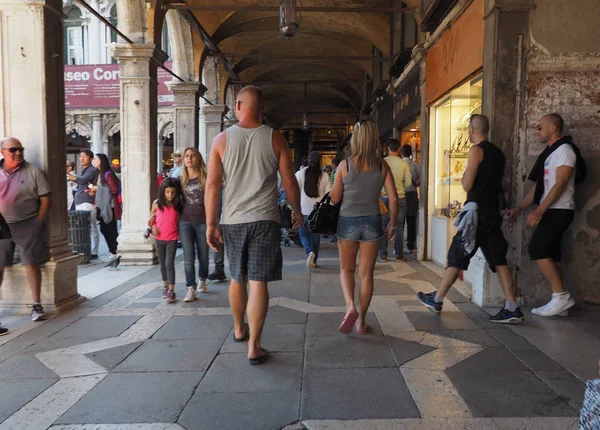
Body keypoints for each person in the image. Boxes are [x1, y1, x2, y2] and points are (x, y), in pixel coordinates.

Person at [205, 85, 302, 365]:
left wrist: (211, 223)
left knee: (237, 277)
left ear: (237, 106)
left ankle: (238, 328)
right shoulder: (276, 138)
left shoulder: (221, 140)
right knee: (258, 281)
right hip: (265, 220)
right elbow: (289, 181)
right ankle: (254, 347)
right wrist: (297, 211)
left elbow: (212, 185)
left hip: (233, 220)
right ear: (262, 108)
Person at [417, 115, 524, 323]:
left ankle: (437, 299)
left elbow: (467, 184)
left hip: (476, 214)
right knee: (498, 259)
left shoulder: (476, 150)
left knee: (457, 253)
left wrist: (466, 173)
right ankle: (512, 306)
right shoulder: (499, 154)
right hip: (492, 213)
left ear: (472, 130)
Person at [505, 113, 579, 317]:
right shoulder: (550, 153)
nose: (537, 131)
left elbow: (560, 184)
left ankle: (560, 296)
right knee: (552, 253)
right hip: (552, 209)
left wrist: (539, 210)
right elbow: (540, 188)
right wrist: (520, 208)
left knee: (537, 248)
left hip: (560, 209)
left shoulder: (564, 151)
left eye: (540, 127)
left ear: (553, 128)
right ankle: (560, 303)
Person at [330, 120, 398, 335]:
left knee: (346, 269)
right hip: (373, 221)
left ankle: (350, 306)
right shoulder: (382, 165)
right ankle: (362, 322)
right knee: (366, 273)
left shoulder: (345, 165)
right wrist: (393, 224)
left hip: (347, 220)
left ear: (356, 139)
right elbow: (394, 198)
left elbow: (334, 198)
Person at [0, 137, 51, 322]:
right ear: (3, 152)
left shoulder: (34, 172)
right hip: (1, 225)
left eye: (20, 148)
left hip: (27, 222)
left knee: (31, 263)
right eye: (13, 149)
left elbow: (46, 199)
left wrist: (38, 221)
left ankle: (37, 305)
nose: (18, 152)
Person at [179, 147, 210, 302]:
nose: (189, 158)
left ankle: (203, 279)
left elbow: (213, 201)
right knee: (188, 257)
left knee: (203, 255)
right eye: (186, 156)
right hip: (185, 222)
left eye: (192, 156)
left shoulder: (205, 178)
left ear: (198, 159)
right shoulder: (180, 180)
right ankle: (190, 287)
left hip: (203, 221)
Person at [296, 151, 332, 269]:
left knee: (303, 235)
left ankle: (309, 251)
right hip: (318, 213)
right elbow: (329, 195)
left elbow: (295, 191)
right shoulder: (325, 176)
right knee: (315, 237)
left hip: (303, 211)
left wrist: (294, 209)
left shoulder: (300, 174)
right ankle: (314, 260)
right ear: (320, 161)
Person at [150, 177, 183, 303]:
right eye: (167, 192)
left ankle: (171, 289)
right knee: (162, 263)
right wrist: (153, 227)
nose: (170, 195)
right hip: (159, 238)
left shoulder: (178, 205)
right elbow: (151, 218)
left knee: (169, 263)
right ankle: (165, 286)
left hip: (172, 238)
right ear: (163, 191)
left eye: (173, 192)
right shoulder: (157, 203)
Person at [380, 138, 412, 262]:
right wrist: (400, 187)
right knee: (399, 226)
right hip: (400, 198)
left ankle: (383, 253)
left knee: (383, 225)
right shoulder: (404, 164)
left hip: (384, 197)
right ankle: (398, 254)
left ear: (388, 148)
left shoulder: (383, 162)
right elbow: (409, 183)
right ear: (399, 149)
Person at [68, 149, 99, 259]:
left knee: (91, 227)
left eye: (84, 157)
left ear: (90, 159)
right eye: (80, 156)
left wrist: (73, 177)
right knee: (84, 227)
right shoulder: (84, 170)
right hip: (80, 201)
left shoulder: (92, 170)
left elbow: (83, 180)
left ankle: (94, 251)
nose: (81, 158)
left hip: (87, 201)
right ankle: (87, 250)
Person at [90, 153, 121, 262]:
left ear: (101, 161)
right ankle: (113, 251)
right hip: (103, 206)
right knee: (105, 228)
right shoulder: (99, 174)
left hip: (110, 206)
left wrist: (98, 188)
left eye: (96, 159)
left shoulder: (108, 174)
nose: (94, 160)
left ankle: (115, 251)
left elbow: (113, 189)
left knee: (110, 229)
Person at [401, 144, 420, 254]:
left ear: (402, 153)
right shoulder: (415, 165)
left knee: (400, 222)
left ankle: (398, 246)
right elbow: (420, 180)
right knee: (411, 220)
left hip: (401, 194)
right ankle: (410, 245)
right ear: (411, 153)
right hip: (412, 194)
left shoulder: (399, 165)